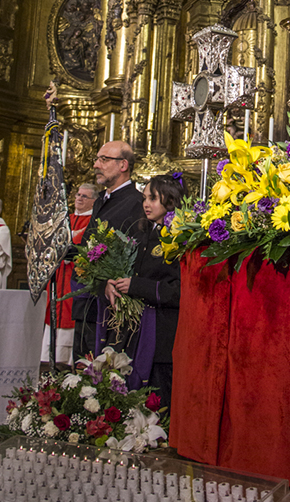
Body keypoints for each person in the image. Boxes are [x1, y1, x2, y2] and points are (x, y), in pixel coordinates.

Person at [103, 173, 187, 409]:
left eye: (153, 198)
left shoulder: (181, 239)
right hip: (133, 329)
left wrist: (137, 286)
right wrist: (110, 283)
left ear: (170, 202)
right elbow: (124, 269)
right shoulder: (139, 232)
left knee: (159, 394)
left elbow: (181, 291)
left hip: (162, 330)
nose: (146, 204)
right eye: (145, 198)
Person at [71, 141, 145, 360]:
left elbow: (132, 255)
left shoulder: (136, 203)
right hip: (87, 301)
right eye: (97, 159)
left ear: (123, 165)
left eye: (103, 159)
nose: (96, 165)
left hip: (110, 308)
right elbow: (88, 247)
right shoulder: (101, 201)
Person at [41, 182, 97, 367]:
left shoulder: (93, 222)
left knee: (68, 315)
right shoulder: (65, 219)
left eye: (84, 196)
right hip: (57, 277)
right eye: (78, 195)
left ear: (94, 201)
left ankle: (65, 364)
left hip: (75, 280)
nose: (79, 199)